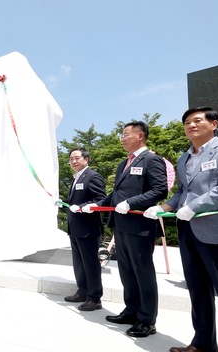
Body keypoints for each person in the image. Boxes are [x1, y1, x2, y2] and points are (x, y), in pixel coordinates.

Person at [144, 107, 218, 352]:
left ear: (214, 124)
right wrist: (162, 207)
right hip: (189, 232)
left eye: (197, 121)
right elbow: (182, 192)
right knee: (198, 293)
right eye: (187, 122)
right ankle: (203, 344)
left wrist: (194, 206)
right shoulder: (185, 157)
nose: (191, 126)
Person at [82, 121, 167, 338]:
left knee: (143, 273)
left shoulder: (152, 160)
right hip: (120, 225)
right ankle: (131, 311)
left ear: (140, 135)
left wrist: (132, 203)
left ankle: (147, 320)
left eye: (126, 134)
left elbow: (160, 190)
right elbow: (115, 195)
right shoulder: (123, 164)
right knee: (127, 272)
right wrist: (97, 205)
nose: (122, 138)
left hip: (140, 227)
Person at [63, 148, 106, 311]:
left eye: (77, 158)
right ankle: (82, 291)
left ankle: (95, 298)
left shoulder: (92, 176)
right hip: (74, 228)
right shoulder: (76, 178)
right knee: (79, 263)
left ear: (86, 159)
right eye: (71, 159)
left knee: (90, 263)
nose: (73, 161)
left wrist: (81, 207)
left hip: (88, 228)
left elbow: (100, 199)